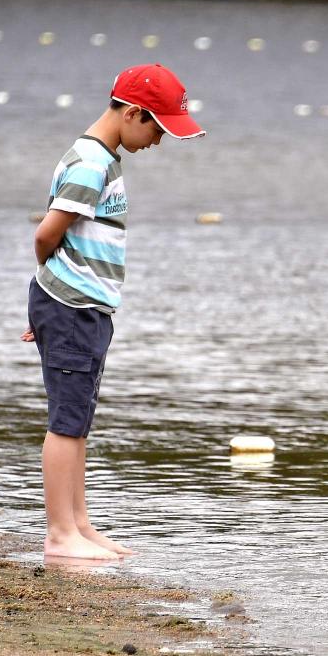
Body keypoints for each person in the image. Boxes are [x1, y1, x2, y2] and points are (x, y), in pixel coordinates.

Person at [21, 64, 205, 560]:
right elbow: (45, 234)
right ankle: (60, 534)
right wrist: (52, 296)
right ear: (131, 112)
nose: (159, 141)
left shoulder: (103, 158)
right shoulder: (90, 165)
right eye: (157, 129)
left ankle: (79, 523)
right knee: (65, 419)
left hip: (84, 308)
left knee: (79, 416)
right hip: (71, 305)